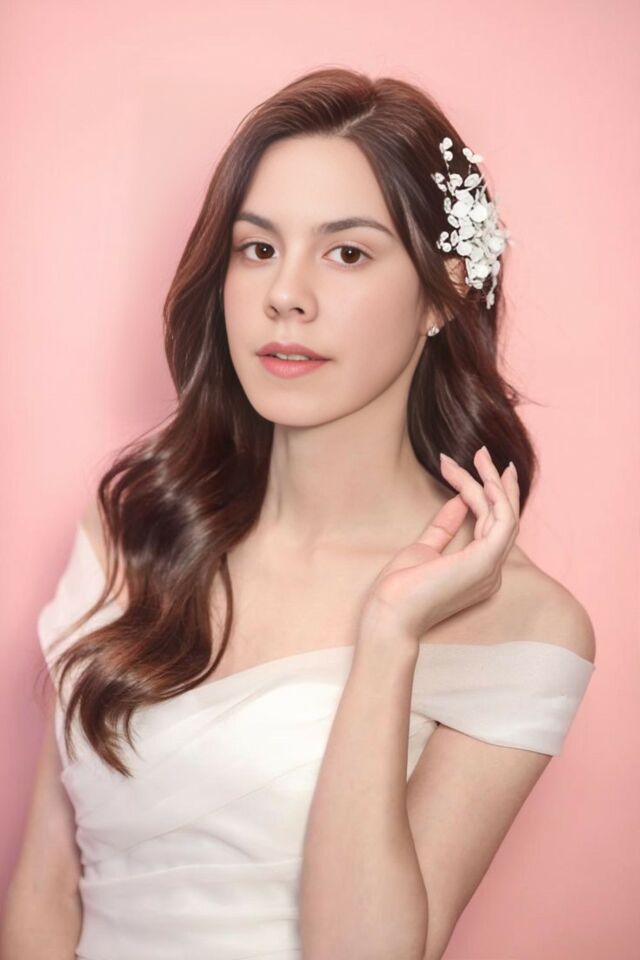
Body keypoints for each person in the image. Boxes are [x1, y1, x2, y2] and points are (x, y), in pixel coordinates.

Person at [2, 67, 596, 960]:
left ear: (443, 294)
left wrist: (388, 639)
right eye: (257, 248)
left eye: (346, 253)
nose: (287, 294)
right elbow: (47, 883)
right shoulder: (133, 524)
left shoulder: (527, 624)